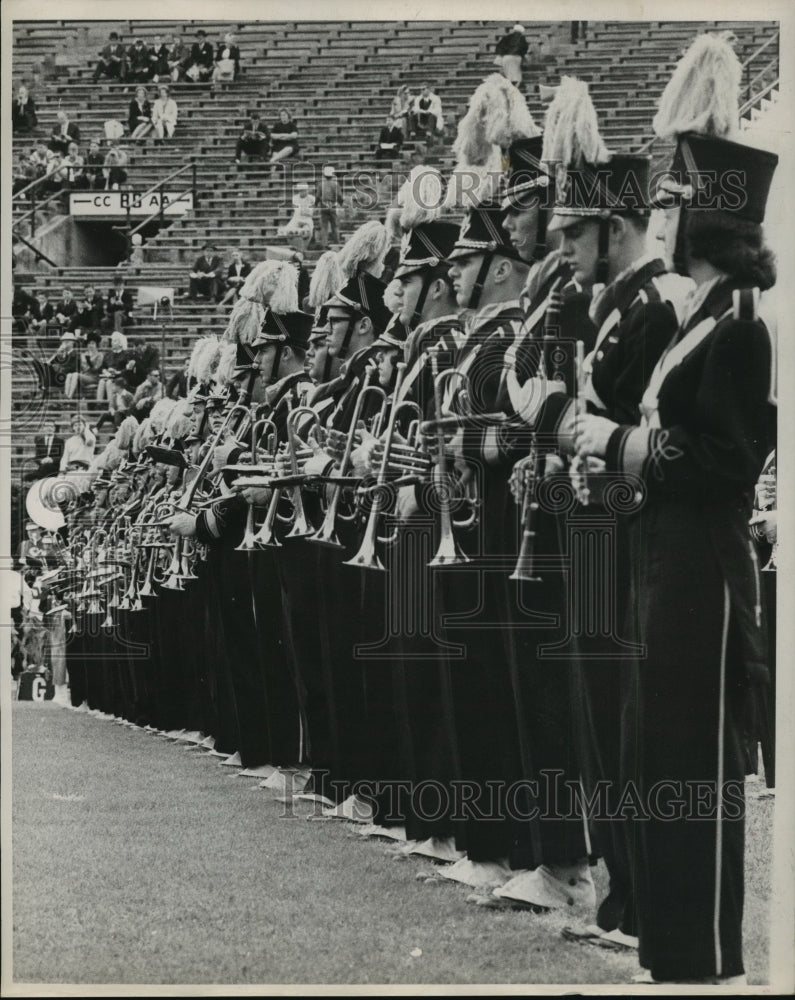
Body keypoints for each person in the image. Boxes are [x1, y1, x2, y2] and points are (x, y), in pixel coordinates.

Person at [574, 35, 778, 985]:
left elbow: (724, 460)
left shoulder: (736, 324)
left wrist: (616, 448)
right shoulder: (693, 320)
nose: (660, 216)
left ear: (705, 222)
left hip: (703, 560)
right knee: (653, 748)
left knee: (691, 765)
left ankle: (701, 956)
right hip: (665, 553)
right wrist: (613, 462)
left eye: (674, 203)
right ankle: (669, 951)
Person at [277, 182, 315, 251]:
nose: (303, 192)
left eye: (304, 190)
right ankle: (294, 246)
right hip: (297, 218)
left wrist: (304, 211)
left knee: (309, 231)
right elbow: (298, 211)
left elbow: (310, 213)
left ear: (307, 190)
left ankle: (304, 247)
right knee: (288, 230)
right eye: (301, 190)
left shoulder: (312, 198)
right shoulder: (295, 198)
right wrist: (303, 211)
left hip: (307, 219)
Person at [64, 334, 104, 398]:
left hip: (93, 377)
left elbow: (96, 368)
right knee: (69, 375)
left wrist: (89, 362)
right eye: (89, 344)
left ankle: (69, 397)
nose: (91, 345)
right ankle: (66, 396)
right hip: (84, 375)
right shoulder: (83, 354)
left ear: (96, 345)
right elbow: (81, 367)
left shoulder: (99, 355)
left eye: (93, 343)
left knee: (75, 375)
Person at [316, 165, 342, 249]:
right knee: (335, 225)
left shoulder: (321, 184)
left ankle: (324, 244)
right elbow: (339, 195)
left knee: (324, 226)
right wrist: (340, 203)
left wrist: (316, 204)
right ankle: (337, 242)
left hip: (323, 206)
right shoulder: (335, 184)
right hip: (333, 205)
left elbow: (317, 196)